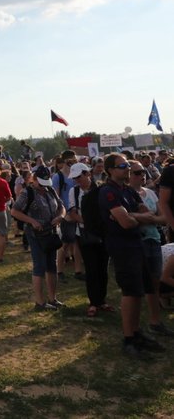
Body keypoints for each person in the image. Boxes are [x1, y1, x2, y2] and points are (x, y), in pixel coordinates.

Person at [99, 153, 166, 358]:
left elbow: (150, 216)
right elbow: (126, 223)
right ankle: (128, 339)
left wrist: (134, 216)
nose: (127, 168)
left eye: (128, 165)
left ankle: (137, 333)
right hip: (122, 247)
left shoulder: (127, 190)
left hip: (137, 244)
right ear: (110, 169)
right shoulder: (108, 192)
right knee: (130, 292)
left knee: (142, 290)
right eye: (122, 166)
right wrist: (137, 217)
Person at [10, 165, 65, 311]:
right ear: (34, 179)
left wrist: (60, 216)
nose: (43, 187)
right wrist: (32, 221)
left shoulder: (50, 190)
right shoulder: (27, 193)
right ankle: (40, 302)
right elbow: (14, 211)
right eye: (41, 183)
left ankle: (52, 299)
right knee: (39, 266)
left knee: (52, 266)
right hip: (35, 235)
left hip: (51, 233)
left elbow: (61, 206)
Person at [129, 162, 174, 336]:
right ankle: (134, 330)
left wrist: (147, 218)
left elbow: (161, 218)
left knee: (153, 283)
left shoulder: (149, 194)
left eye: (143, 172)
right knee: (136, 287)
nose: (143, 175)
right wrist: (146, 217)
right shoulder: (124, 195)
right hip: (135, 242)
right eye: (137, 172)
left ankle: (155, 322)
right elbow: (125, 219)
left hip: (154, 239)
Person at [69, 162, 112, 318]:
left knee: (103, 268)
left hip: (102, 234)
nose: (77, 181)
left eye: (79, 177)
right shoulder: (73, 192)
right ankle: (93, 302)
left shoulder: (100, 189)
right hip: (84, 235)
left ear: (88, 174)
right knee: (91, 269)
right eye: (74, 178)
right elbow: (72, 213)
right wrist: (88, 223)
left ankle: (102, 300)